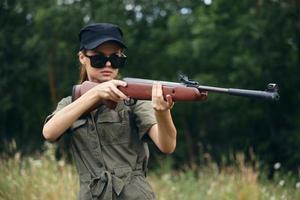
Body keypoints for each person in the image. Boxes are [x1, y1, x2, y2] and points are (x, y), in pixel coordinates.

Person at [42, 23, 177, 200]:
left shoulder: (134, 100)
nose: (107, 64)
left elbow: (167, 145)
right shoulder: (71, 103)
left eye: (115, 59)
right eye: (98, 58)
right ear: (82, 57)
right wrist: (96, 94)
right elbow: (49, 132)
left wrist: (162, 112)